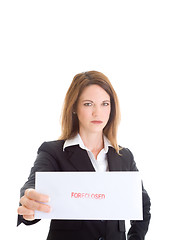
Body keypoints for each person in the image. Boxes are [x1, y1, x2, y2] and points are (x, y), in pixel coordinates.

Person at [17, 71, 151, 240]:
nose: (98, 112)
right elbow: (33, 184)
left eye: (105, 104)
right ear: (74, 107)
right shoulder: (53, 152)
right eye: (88, 104)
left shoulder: (124, 156)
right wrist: (29, 199)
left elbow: (142, 205)